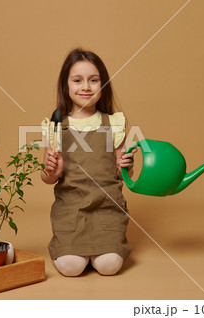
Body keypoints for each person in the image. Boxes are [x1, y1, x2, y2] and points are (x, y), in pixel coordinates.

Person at [41, 48, 137, 277]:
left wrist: (126, 164)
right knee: (72, 268)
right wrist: (52, 170)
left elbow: (123, 175)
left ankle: (101, 249)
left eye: (93, 80)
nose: (86, 87)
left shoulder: (113, 123)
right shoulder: (55, 126)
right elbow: (47, 178)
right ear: (66, 86)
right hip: (70, 210)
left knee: (109, 266)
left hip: (107, 208)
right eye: (77, 80)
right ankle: (77, 249)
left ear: (103, 86)